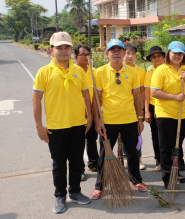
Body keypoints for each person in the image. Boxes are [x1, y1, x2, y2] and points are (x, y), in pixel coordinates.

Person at [33, 32, 92, 214]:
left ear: (71, 51)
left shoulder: (78, 71)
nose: (63, 51)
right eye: (59, 47)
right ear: (52, 50)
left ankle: (75, 192)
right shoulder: (44, 72)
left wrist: (89, 117)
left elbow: (85, 95)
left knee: (76, 162)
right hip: (56, 128)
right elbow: (36, 99)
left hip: (77, 125)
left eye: (67, 47)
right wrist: (39, 126)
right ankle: (60, 195)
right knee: (59, 164)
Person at [91, 39, 146, 200]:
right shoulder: (99, 72)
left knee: (133, 153)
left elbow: (137, 96)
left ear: (123, 53)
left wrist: (140, 118)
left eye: (119, 50)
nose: (116, 53)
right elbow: (97, 98)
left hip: (130, 120)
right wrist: (97, 120)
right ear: (107, 53)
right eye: (112, 50)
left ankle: (137, 180)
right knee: (104, 154)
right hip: (108, 121)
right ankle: (99, 185)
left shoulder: (133, 72)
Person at [150, 41, 185, 188]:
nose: (177, 56)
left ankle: (175, 171)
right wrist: (175, 97)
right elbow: (154, 92)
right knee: (165, 146)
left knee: (176, 146)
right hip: (165, 113)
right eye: (174, 53)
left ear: (183, 55)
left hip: (183, 114)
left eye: (180, 53)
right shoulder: (161, 70)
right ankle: (167, 178)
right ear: (168, 53)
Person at [74, 44, 99, 181]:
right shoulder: (73, 71)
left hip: (92, 111)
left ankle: (93, 163)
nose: (85, 57)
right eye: (82, 54)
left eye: (87, 54)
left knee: (91, 139)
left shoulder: (94, 72)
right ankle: (80, 169)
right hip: (76, 113)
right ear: (76, 56)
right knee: (77, 143)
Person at [124, 43, 146, 170]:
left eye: (132, 54)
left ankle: (138, 158)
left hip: (135, 108)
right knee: (122, 136)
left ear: (136, 56)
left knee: (137, 134)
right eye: (127, 53)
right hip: (122, 108)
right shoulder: (119, 69)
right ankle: (126, 158)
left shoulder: (140, 71)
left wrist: (141, 109)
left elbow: (141, 91)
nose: (130, 56)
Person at [144, 46, 165, 171]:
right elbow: (146, 93)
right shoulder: (149, 72)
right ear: (151, 59)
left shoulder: (169, 69)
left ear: (163, 57)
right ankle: (159, 160)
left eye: (159, 56)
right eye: (154, 57)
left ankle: (174, 160)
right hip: (153, 106)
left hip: (167, 105)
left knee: (168, 135)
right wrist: (146, 111)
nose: (157, 58)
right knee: (155, 135)